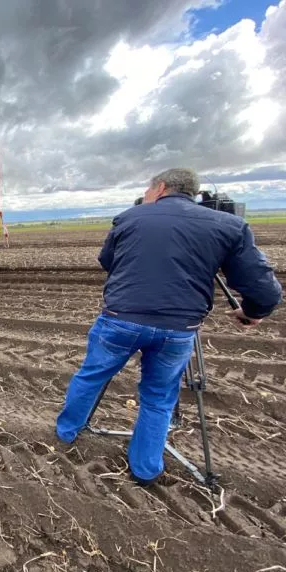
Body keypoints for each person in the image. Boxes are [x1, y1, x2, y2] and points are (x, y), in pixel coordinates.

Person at [55, 168, 283, 485]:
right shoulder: (229, 225)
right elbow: (263, 288)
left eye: (148, 191)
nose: (145, 197)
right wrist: (253, 311)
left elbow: (108, 261)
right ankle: (145, 468)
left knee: (92, 375)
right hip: (178, 329)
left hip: (120, 320)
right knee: (159, 397)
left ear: (160, 188)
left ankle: (66, 432)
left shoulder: (129, 218)